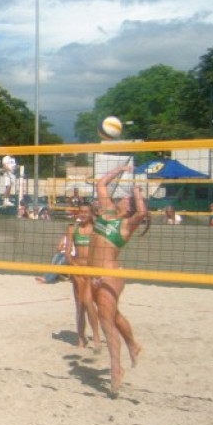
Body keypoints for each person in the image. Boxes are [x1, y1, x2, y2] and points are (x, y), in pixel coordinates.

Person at [89, 164, 147, 396]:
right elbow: (101, 184)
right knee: (113, 315)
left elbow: (142, 214)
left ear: (129, 207)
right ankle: (133, 345)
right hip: (94, 274)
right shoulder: (108, 212)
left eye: (126, 199)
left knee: (106, 322)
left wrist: (137, 193)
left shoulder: (126, 225)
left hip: (109, 275)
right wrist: (120, 168)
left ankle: (116, 369)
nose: (122, 198)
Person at [66, 203, 100, 350]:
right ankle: (81, 338)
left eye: (86, 212)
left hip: (92, 271)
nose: (83, 214)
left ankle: (96, 336)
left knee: (89, 303)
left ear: (91, 213)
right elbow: (67, 253)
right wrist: (74, 268)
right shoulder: (73, 229)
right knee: (79, 306)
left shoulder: (96, 230)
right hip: (78, 270)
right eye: (81, 211)